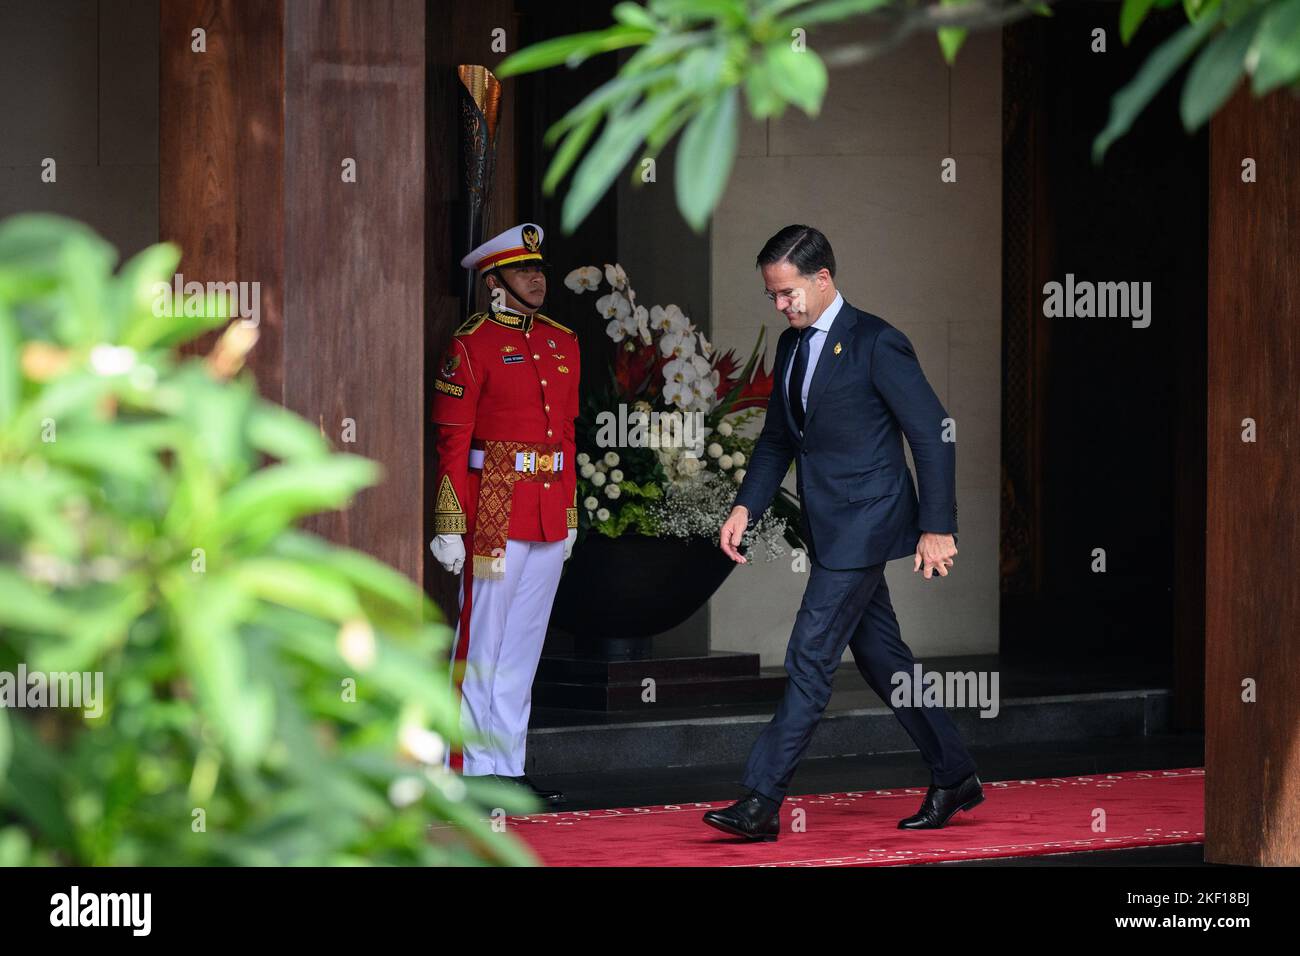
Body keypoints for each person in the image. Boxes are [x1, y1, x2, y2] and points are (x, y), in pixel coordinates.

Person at [703, 225, 982, 842]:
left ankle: (760, 801)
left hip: (869, 521)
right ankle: (955, 773)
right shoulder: (792, 345)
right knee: (884, 661)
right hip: (829, 527)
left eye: (787, 293)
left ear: (822, 278)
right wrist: (746, 508)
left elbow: (934, 431)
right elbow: (779, 438)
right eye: (772, 296)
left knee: (808, 655)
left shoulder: (877, 341)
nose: (780, 306)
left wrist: (937, 526)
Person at [429, 222, 578, 806]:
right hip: (491, 501)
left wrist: (568, 513)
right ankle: (464, 770)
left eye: (539, 269)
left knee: (522, 645)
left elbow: (565, 435)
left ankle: (508, 768)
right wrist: (449, 522)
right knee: (480, 642)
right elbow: (450, 439)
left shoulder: (563, 341)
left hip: (545, 508)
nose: (537, 279)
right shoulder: (470, 344)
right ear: (494, 281)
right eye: (524, 271)